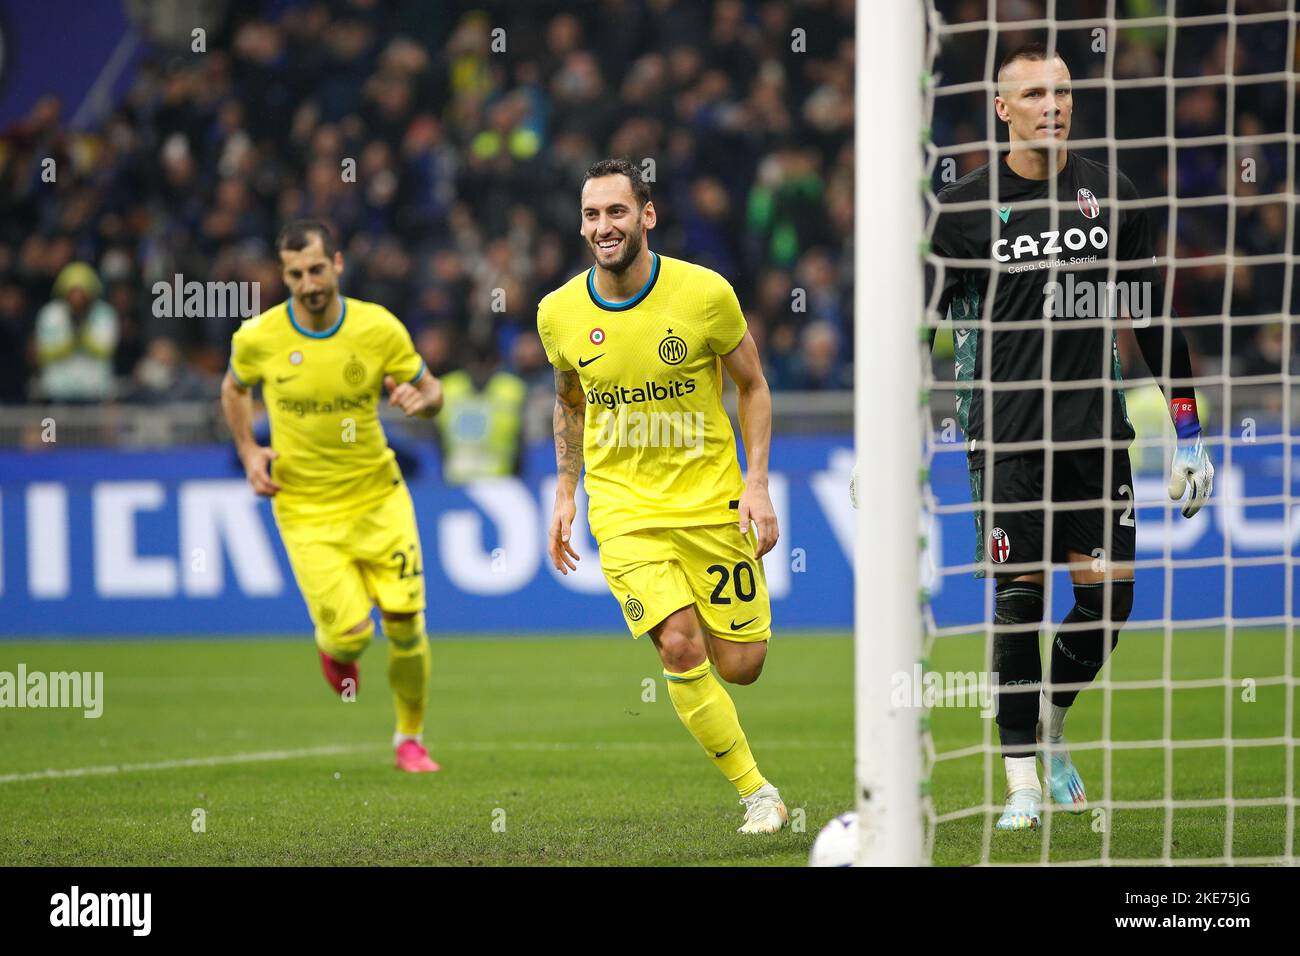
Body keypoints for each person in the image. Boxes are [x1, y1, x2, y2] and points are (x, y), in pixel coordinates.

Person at [930, 43, 1215, 829]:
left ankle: (1051, 727)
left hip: (1095, 437)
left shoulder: (1109, 192)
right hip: (1009, 442)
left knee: (1112, 603)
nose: (1052, 106)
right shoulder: (964, 213)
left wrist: (1188, 432)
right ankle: (1021, 782)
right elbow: (920, 326)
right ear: (1003, 109)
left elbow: (1150, 320)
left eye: (1061, 91)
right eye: (1033, 95)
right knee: (1018, 607)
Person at [538, 158, 788, 834]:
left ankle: (711, 612)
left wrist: (755, 485)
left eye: (616, 212)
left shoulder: (705, 294)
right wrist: (567, 490)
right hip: (623, 513)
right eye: (592, 215)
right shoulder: (558, 313)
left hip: (710, 504)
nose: (603, 226)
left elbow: (753, 386)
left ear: (646, 216)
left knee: (741, 666)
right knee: (679, 645)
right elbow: (569, 404)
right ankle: (757, 793)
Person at [220, 219, 445, 773]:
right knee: (350, 638)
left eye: (317, 269)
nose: (308, 283)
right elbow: (233, 387)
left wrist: (425, 400)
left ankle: (409, 740)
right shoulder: (259, 338)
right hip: (304, 508)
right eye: (295, 274)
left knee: (405, 623)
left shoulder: (377, 329)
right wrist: (249, 449)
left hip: (378, 497)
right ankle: (336, 651)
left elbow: (433, 387)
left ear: (338, 264)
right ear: (284, 275)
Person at [34, 262, 119, 402]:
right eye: (72, 293)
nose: (77, 299)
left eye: (81, 294)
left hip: (95, 390)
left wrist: (82, 334)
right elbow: (44, 352)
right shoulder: (50, 314)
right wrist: (71, 343)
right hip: (58, 390)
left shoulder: (105, 314)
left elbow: (106, 350)